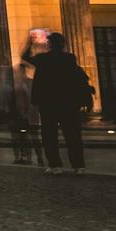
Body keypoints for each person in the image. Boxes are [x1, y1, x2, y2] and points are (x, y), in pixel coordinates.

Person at [28, 31, 93, 173]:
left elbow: (26, 58)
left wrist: (31, 42)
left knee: (50, 135)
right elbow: (78, 79)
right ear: (63, 44)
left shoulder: (43, 58)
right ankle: (78, 165)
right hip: (69, 102)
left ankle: (55, 165)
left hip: (49, 102)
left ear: (50, 44)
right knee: (73, 135)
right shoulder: (69, 59)